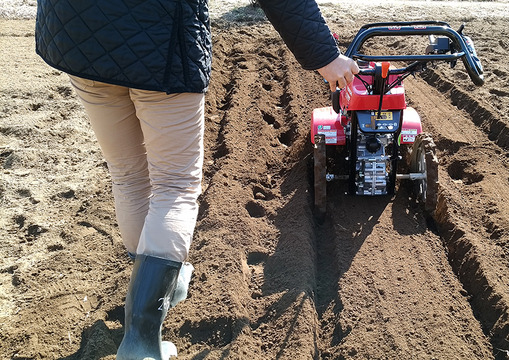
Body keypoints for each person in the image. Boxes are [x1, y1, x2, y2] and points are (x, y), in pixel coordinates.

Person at [34, 0, 358, 359]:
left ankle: (157, 284)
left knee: (128, 175)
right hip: (161, 43)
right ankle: (141, 342)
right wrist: (325, 55)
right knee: (174, 186)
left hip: (79, 34)